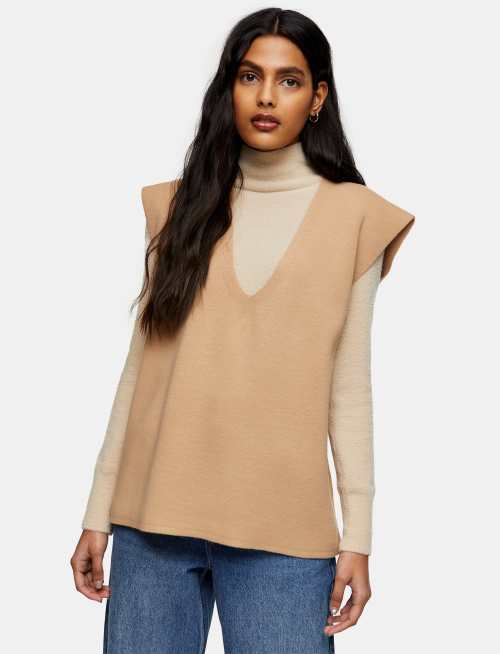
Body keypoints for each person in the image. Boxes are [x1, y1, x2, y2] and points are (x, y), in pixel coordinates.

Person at [70, 8, 415, 653]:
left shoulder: (356, 218)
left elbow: (349, 390)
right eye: (250, 76)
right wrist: (98, 511)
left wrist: (358, 536)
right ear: (228, 87)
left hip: (284, 534)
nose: (266, 96)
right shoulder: (176, 207)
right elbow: (142, 371)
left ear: (318, 97)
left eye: (290, 80)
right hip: (151, 526)